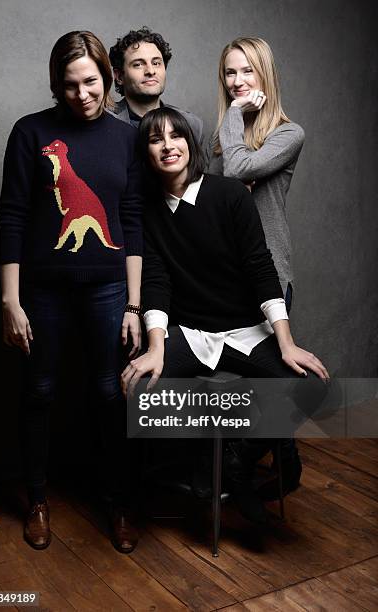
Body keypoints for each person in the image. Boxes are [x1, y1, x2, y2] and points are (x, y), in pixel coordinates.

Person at [121, 107, 328, 524]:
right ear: (145, 153)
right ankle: (171, 480)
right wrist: (157, 347)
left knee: (312, 387)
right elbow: (156, 281)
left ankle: (236, 460)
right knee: (135, 388)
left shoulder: (229, 194)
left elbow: (260, 267)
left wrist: (285, 341)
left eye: (175, 136)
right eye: (155, 140)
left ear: (190, 144)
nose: (167, 146)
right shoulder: (147, 210)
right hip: (192, 331)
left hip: (245, 330)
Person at [0, 31, 143, 554]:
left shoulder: (127, 137)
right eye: (69, 85)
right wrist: (10, 301)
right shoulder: (30, 132)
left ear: (108, 77)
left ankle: (119, 500)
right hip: (42, 290)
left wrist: (132, 303)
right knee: (39, 391)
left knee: (109, 393)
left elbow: (130, 220)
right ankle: (37, 498)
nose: (82, 94)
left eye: (92, 82)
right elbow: (12, 214)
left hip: (106, 289)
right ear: (56, 87)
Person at [208, 37, 306, 499]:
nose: (238, 82)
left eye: (247, 71)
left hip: (269, 273)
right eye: (230, 73)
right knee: (243, 382)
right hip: (228, 277)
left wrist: (234, 114)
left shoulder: (288, 134)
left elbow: (235, 170)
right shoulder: (222, 140)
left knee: (275, 379)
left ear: (265, 77)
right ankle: (281, 461)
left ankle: (245, 464)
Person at [109, 26, 203, 142]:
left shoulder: (190, 124)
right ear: (119, 76)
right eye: (138, 64)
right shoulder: (105, 122)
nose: (150, 71)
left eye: (156, 63)